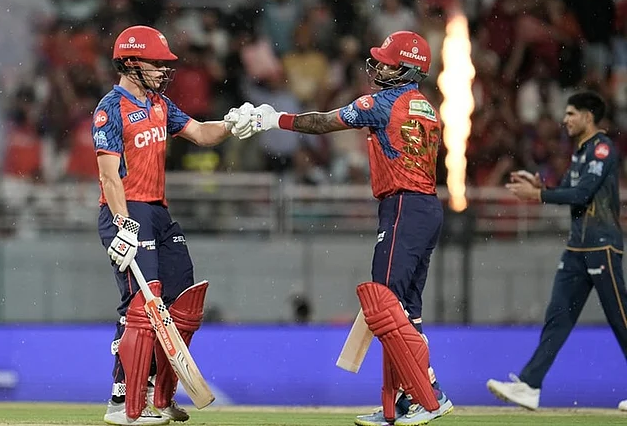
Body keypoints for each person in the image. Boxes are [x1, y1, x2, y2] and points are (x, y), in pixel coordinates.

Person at [227, 30, 453, 426]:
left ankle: (427, 393)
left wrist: (272, 118)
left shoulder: (382, 103)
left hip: (403, 205)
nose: (378, 67)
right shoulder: (426, 105)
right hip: (425, 207)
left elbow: (322, 123)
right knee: (406, 311)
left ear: (405, 69)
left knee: (384, 304)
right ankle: (404, 401)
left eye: (386, 61)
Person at [93, 25, 243, 426]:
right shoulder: (111, 108)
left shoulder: (160, 104)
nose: (163, 70)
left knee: (180, 301)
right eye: (156, 62)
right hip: (125, 211)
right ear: (130, 62)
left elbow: (199, 133)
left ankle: (160, 393)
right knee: (141, 306)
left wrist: (236, 123)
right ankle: (122, 401)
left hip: (158, 212)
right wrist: (123, 224)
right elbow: (109, 176)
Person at [487, 91, 627, 411]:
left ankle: (529, 384)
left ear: (588, 117)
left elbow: (581, 194)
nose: (565, 120)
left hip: (602, 245)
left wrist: (537, 197)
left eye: (571, 114)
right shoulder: (579, 153)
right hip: (577, 248)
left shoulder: (602, 149)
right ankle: (529, 386)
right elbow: (565, 190)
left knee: (621, 319)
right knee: (557, 317)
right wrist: (539, 186)